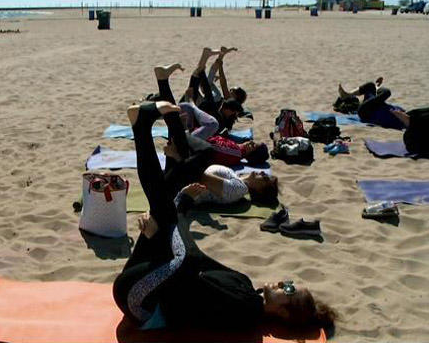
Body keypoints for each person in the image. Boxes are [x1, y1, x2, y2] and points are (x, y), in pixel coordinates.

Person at [113, 100, 337, 334]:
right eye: (289, 283)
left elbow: (187, 268)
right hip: (152, 280)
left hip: (140, 302)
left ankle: (142, 126)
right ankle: (143, 124)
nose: (283, 283)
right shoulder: (248, 289)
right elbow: (197, 261)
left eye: (288, 290)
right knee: (165, 212)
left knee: (166, 212)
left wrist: (167, 226)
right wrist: (161, 235)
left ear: (284, 312)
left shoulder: (245, 309)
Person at [338, 78, 406, 130]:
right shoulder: (401, 110)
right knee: (370, 85)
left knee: (387, 92)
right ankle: (346, 95)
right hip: (372, 106)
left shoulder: (401, 122)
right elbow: (380, 102)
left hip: (367, 112)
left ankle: (377, 87)